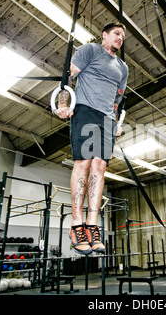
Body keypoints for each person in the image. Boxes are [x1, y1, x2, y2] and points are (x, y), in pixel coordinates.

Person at [55, 22, 128, 255]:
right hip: (86, 109)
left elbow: (118, 99)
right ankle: (76, 224)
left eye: (123, 36)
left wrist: (115, 121)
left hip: (107, 119)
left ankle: (92, 225)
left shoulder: (123, 67)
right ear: (104, 35)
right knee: (84, 163)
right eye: (116, 34)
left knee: (100, 167)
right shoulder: (90, 50)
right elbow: (67, 77)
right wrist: (62, 104)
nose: (120, 38)